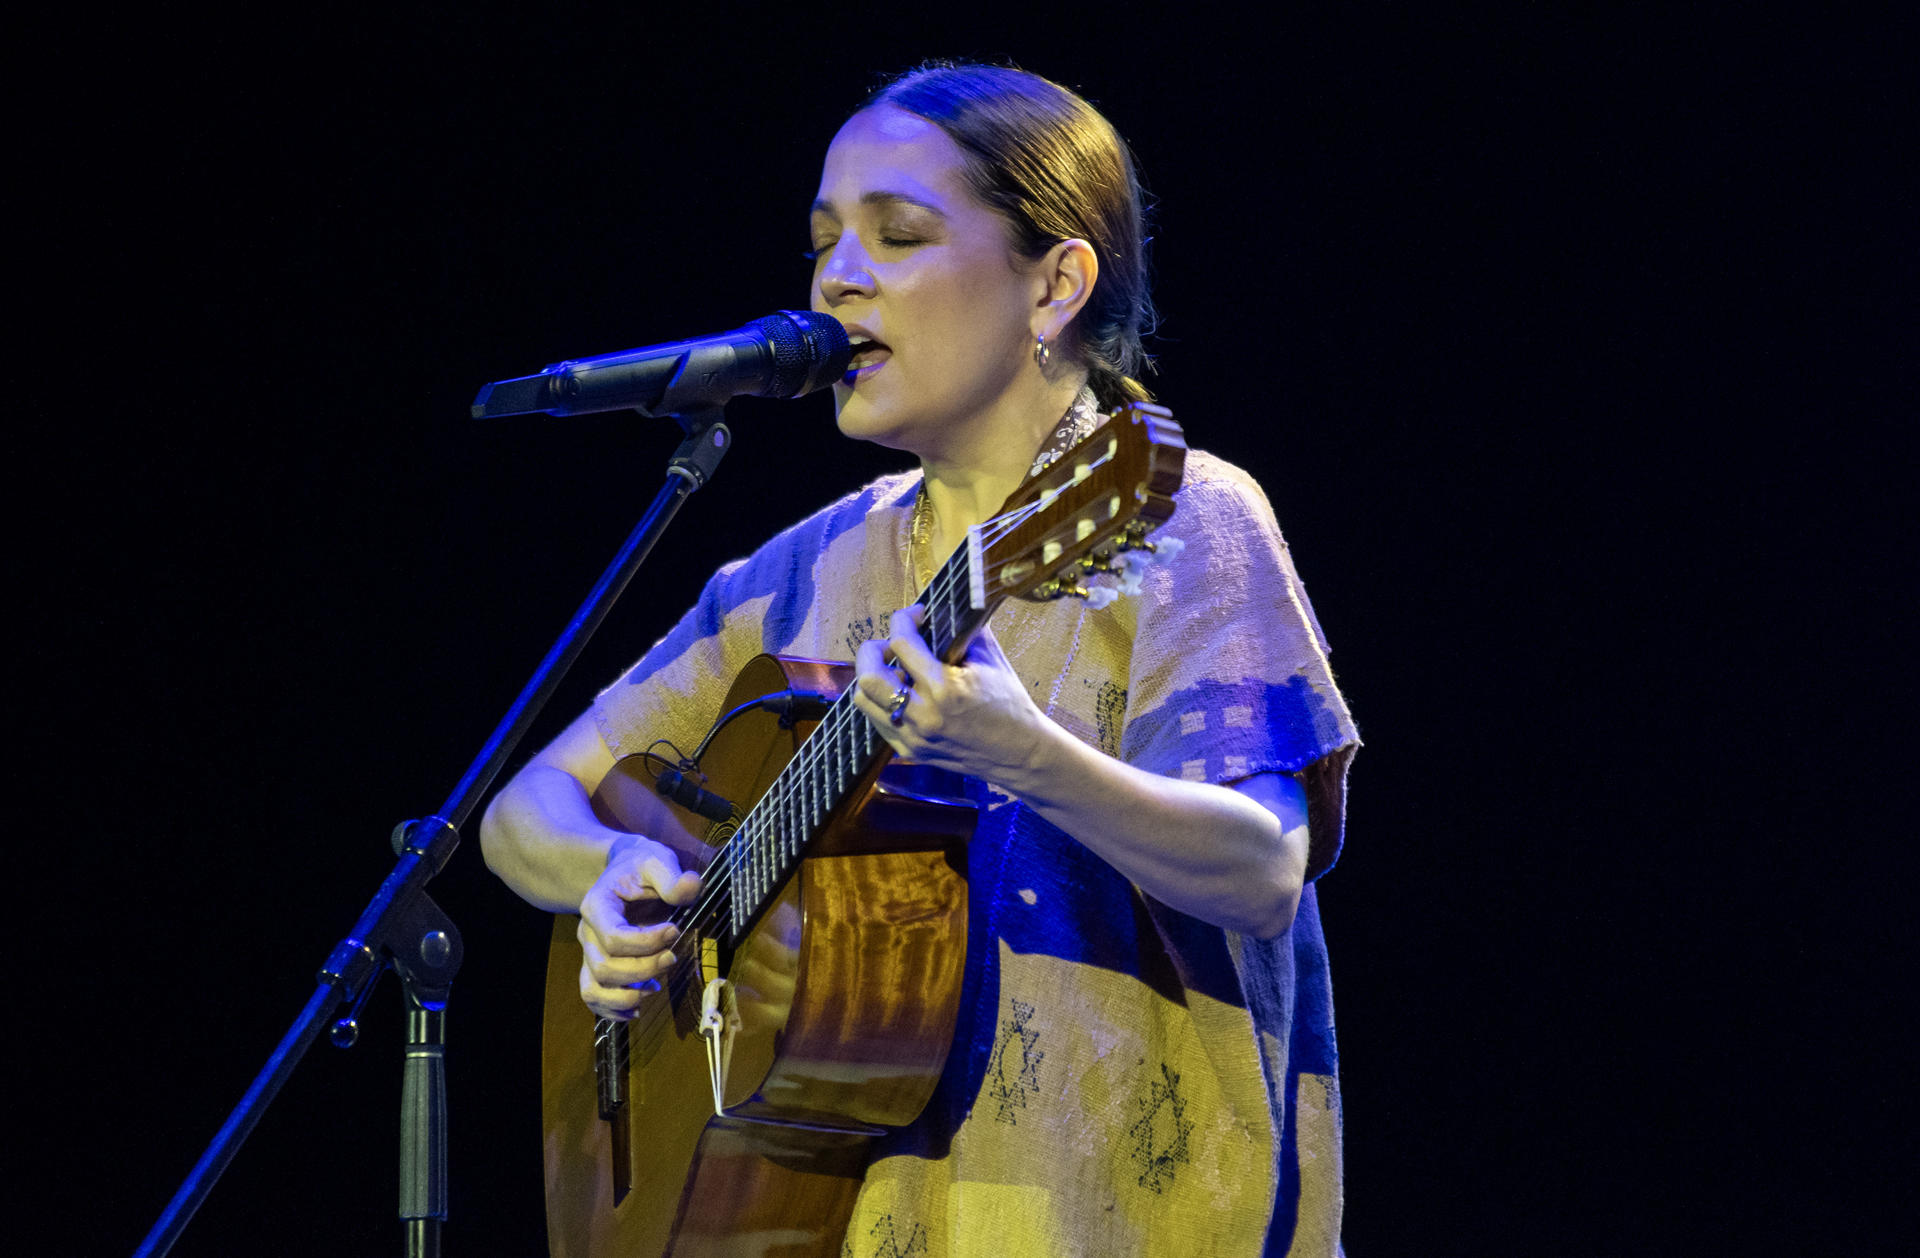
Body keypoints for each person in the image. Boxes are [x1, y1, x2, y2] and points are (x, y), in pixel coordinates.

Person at [480, 62, 1359, 1257]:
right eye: (825, 241)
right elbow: (521, 810)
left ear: (1055, 284)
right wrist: (609, 871)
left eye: (897, 235)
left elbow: (1264, 869)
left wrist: (1028, 754)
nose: (838, 277)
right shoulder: (803, 569)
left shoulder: (1178, 517)